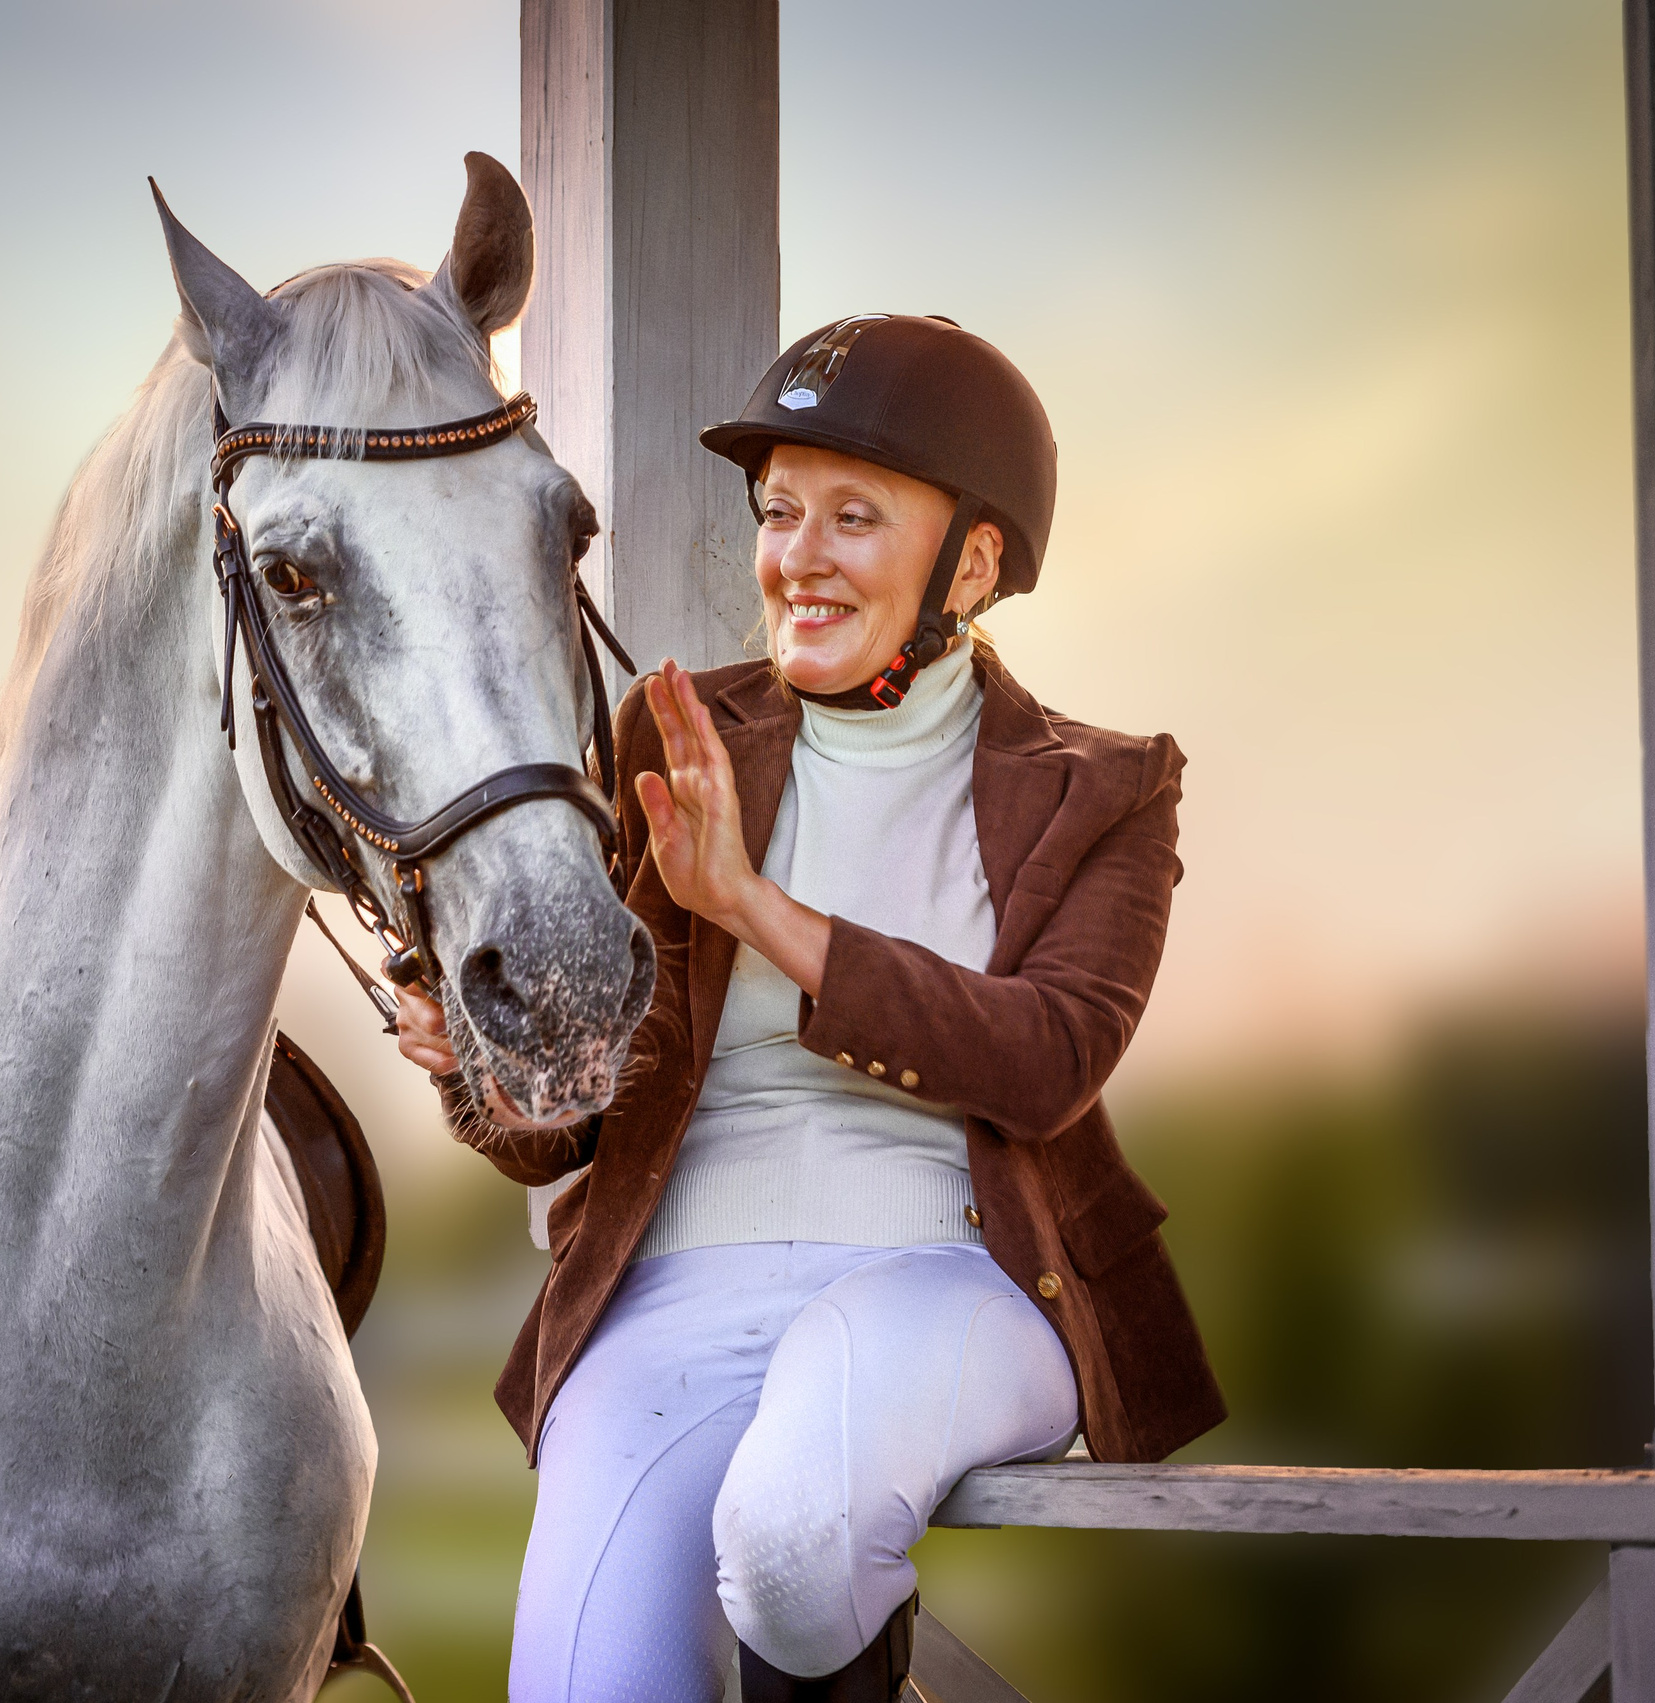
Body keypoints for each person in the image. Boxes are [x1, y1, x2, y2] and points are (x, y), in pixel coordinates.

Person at [397, 314, 1225, 1702]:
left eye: (855, 516)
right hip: (671, 1290)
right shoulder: (672, 738)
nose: (799, 558)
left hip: (961, 1275)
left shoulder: (1107, 787)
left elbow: (1050, 1058)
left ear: (975, 563)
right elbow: (570, 1137)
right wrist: (480, 1065)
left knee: (795, 1535)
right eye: (782, 512)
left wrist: (753, 908)